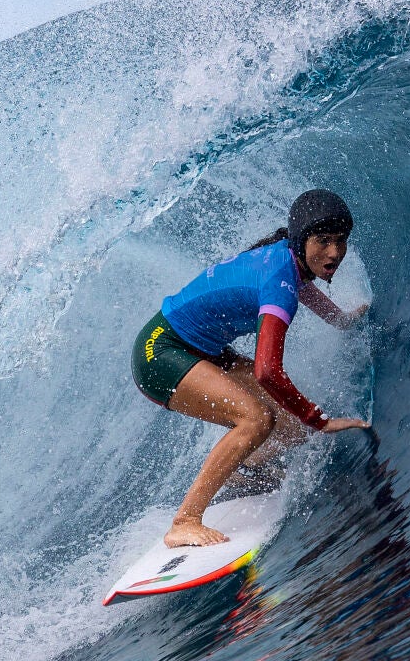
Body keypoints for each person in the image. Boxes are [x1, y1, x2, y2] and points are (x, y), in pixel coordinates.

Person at [132, 189, 371, 547]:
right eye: (323, 241)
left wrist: (340, 320)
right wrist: (320, 419)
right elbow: (267, 372)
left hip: (201, 349)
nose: (334, 253)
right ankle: (184, 521)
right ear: (302, 239)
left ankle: (244, 470)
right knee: (257, 418)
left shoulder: (289, 262)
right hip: (161, 352)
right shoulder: (279, 283)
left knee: (291, 428)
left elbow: (302, 288)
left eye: (341, 241)